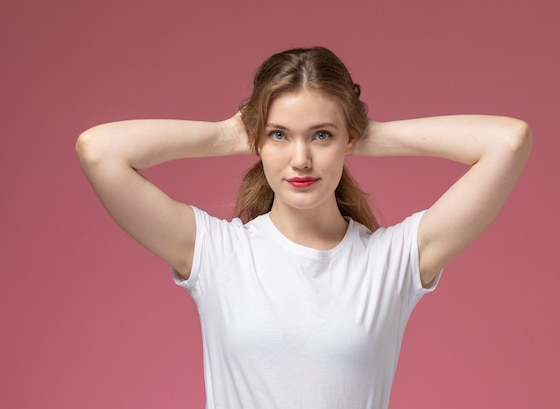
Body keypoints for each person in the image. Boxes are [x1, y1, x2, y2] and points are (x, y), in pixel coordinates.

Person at [75, 46, 532, 409]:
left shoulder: (391, 260)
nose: (300, 160)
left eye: (321, 135)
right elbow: (99, 151)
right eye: (279, 135)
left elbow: (508, 142)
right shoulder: (218, 253)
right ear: (258, 140)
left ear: (347, 139)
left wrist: (369, 133)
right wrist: (228, 134)